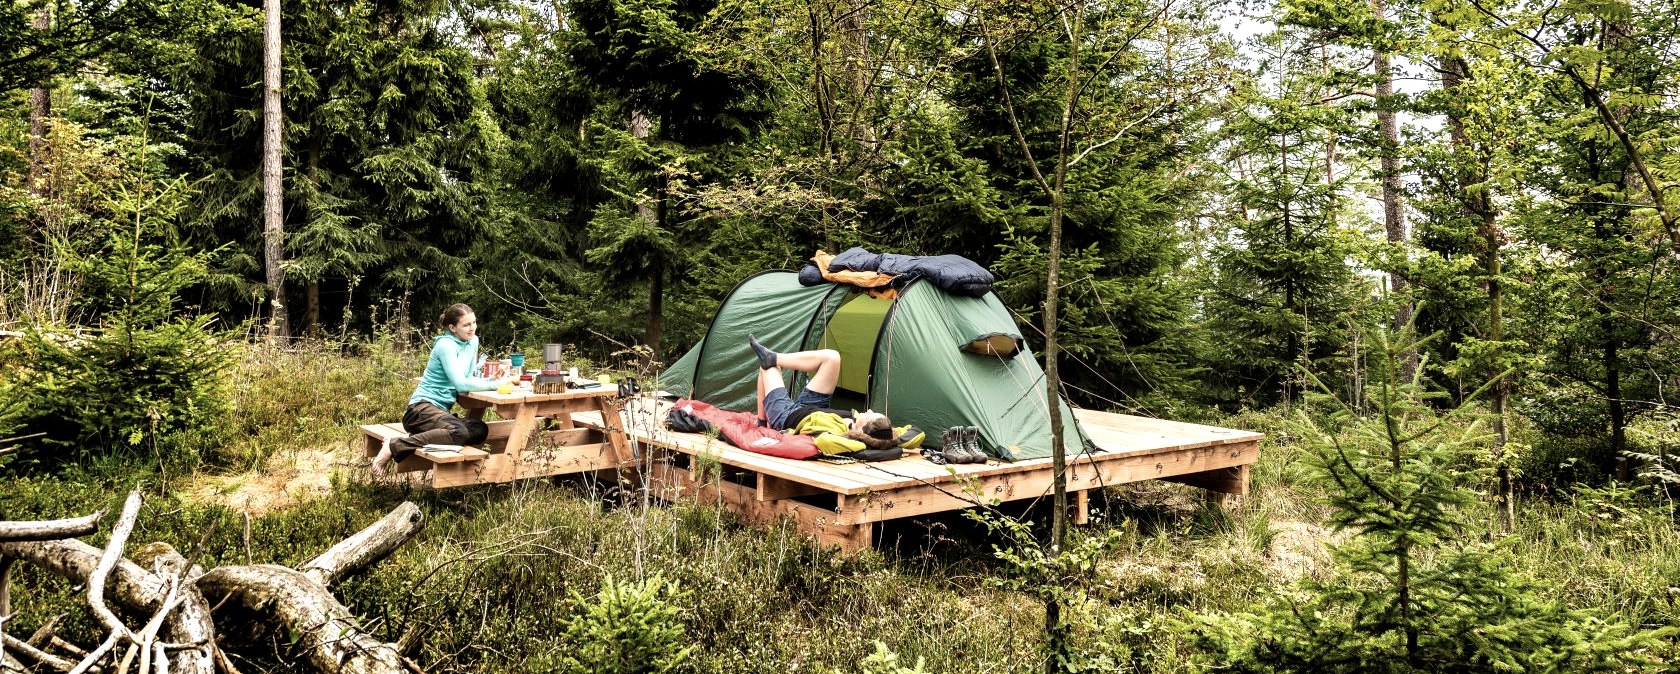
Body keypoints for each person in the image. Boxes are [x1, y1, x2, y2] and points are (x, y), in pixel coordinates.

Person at [371, 303, 510, 476]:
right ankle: (394, 445)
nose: (472, 328)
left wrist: (490, 379)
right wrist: (496, 385)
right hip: (420, 410)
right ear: (452, 327)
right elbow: (461, 385)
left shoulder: (473, 341)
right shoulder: (445, 346)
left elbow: (466, 376)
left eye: (474, 322)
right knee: (458, 432)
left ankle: (415, 437)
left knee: (479, 429)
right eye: (466, 325)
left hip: (439, 413)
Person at [748, 335, 898, 451]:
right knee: (832, 358)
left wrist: (859, 435)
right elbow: (913, 433)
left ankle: (761, 422)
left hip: (786, 416)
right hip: (813, 407)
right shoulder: (863, 425)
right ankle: (774, 357)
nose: (870, 410)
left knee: (768, 368)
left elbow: (826, 442)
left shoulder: (839, 437)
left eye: (871, 415)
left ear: (863, 429)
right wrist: (892, 438)